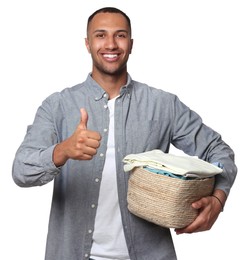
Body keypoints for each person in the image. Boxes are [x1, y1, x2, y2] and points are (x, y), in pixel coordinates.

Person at [12, 6, 237, 260]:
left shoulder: (163, 105)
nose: (111, 44)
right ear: (87, 43)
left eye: (120, 35)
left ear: (131, 43)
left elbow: (219, 151)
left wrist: (218, 200)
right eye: (100, 35)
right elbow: (21, 170)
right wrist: (62, 151)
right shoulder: (58, 106)